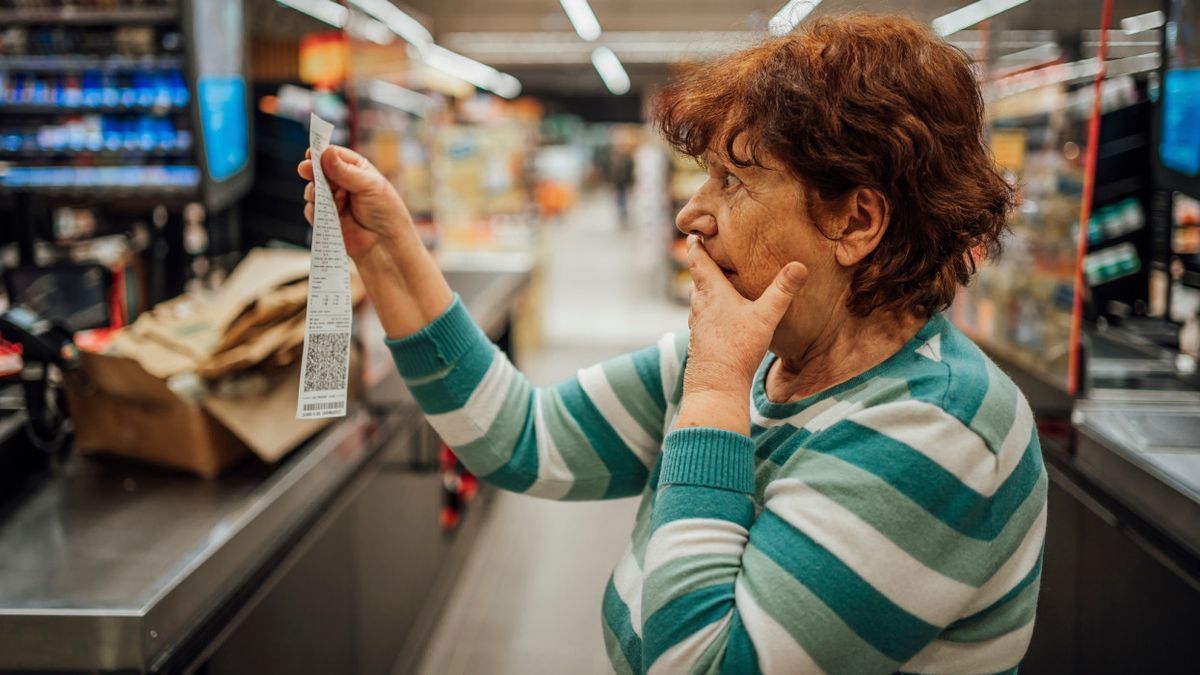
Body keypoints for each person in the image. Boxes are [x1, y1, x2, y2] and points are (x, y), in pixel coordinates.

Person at [299, 13, 1046, 674]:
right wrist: (388, 250)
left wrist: (716, 391)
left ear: (856, 221)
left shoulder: (938, 437)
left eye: (733, 180)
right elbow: (523, 438)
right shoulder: (761, 358)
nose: (691, 214)